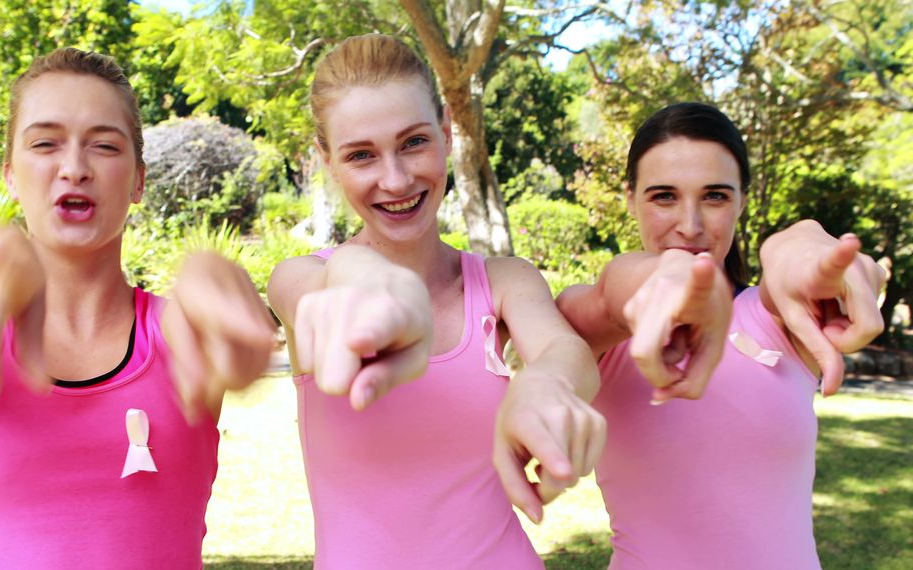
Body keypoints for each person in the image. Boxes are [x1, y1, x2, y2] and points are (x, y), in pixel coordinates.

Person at [0, 48, 277, 569]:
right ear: (10, 175)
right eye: (45, 144)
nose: (74, 168)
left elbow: (242, 345)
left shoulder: (186, 335)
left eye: (104, 146)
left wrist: (228, 294)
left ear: (138, 180)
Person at [266, 34, 606, 569]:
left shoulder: (504, 280)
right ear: (327, 161)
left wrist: (545, 383)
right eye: (361, 155)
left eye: (414, 142)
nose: (396, 179)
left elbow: (567, 352)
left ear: (446, 131)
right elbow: (319, 296)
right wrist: (361, 277)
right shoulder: (301, 279)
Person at [555, 102, 887, 568]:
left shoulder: (779, 318)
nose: (689, 226)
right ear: (630, 198)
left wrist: (805, 247)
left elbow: (798, 253)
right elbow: (609, 293)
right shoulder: (599, 329)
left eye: (714, 196)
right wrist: (659, 274)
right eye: (663, 196)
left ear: (742, 201)